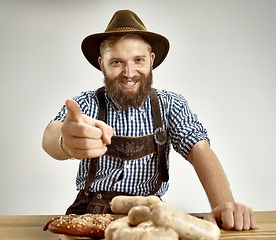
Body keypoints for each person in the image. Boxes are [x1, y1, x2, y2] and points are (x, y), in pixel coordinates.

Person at [42, 10, 256, 231]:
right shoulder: (86, 103)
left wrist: (224, 205)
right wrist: (64, 142)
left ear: (151, 60)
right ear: (102, 64)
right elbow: (51, 134)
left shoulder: (171, 105)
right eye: (116, 62)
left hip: (148, 213)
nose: (129, 72)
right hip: (89, 212)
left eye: (138, 60)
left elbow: (199, 149)